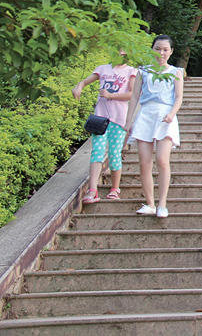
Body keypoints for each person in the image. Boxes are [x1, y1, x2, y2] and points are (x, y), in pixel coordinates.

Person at [124, 35, 184, 218]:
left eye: (165, 49)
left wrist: (171, 113)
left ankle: (162, 203)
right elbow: (134, 97)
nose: (161, 52)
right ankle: (150, 202)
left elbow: (178, 98)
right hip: (146, 115)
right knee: (144, 162)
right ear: (152, 49)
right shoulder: (143, 71)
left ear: (171, 51)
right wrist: (128, 122)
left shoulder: (176, 72)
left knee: (162, 160)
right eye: (158, 48)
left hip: (166, 117)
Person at [72, 52, 137, 203]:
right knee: (97, 152)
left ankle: (115, 188)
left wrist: (110, 96)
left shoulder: (131, 71)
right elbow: (85, 81)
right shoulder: (102, 69)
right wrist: (79, 87)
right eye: (118, 50)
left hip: (119, 119)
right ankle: (92, 190)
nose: (121, 54)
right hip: (100, 118)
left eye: (124, 51)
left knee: (114, 153)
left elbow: (132, 94)